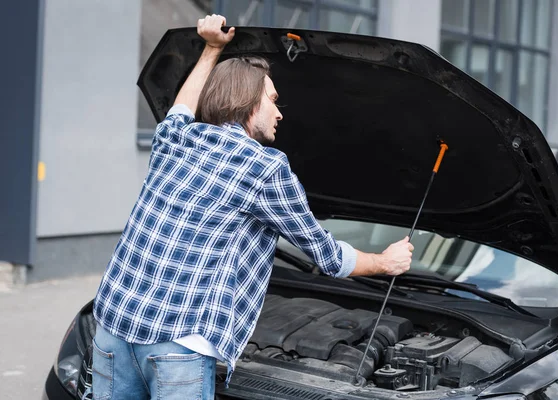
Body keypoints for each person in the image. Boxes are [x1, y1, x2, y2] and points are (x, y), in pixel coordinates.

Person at [88, 14, 414, 400]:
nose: (280, 113)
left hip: (112, 325)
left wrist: (211, 49)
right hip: (175, 345)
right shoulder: (264, 167)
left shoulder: (175, 138)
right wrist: (385, 262)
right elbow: (326, 256)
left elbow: (181, 106)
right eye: (273, 100)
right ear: (246, 100)